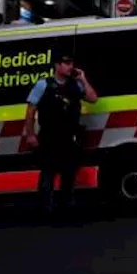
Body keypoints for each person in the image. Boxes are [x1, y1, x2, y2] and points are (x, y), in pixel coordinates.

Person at [24, 52, 98, 215]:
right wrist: (30, 135)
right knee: (48, 173)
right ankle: (46, 208)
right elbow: (30, 111)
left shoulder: (75, 85)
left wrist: (83, 79)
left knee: (69, 173)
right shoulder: (44, 85)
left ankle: (66, 206)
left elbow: (93, 98)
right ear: (57, 65)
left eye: (71, 63)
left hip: (70, 136)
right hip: (50, 136)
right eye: (66, 63)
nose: (70, 66)